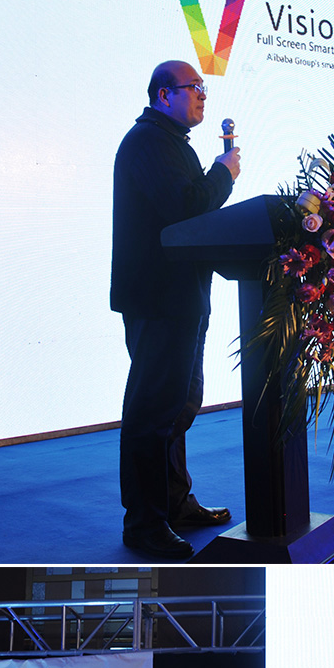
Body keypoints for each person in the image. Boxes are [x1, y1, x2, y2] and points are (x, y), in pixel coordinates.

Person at [111, 60, 241, 561]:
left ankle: (174, 504)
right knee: (152, 413)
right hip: (158, 299)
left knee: (179, 407)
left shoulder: (172, 143)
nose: (203, 94)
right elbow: (187, 207)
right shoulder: (148, 141)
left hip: (182, 296)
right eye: (194, 87)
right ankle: (145, 524)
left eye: (204, 87)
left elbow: (191, 215)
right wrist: (223, 173)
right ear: (164, 95)